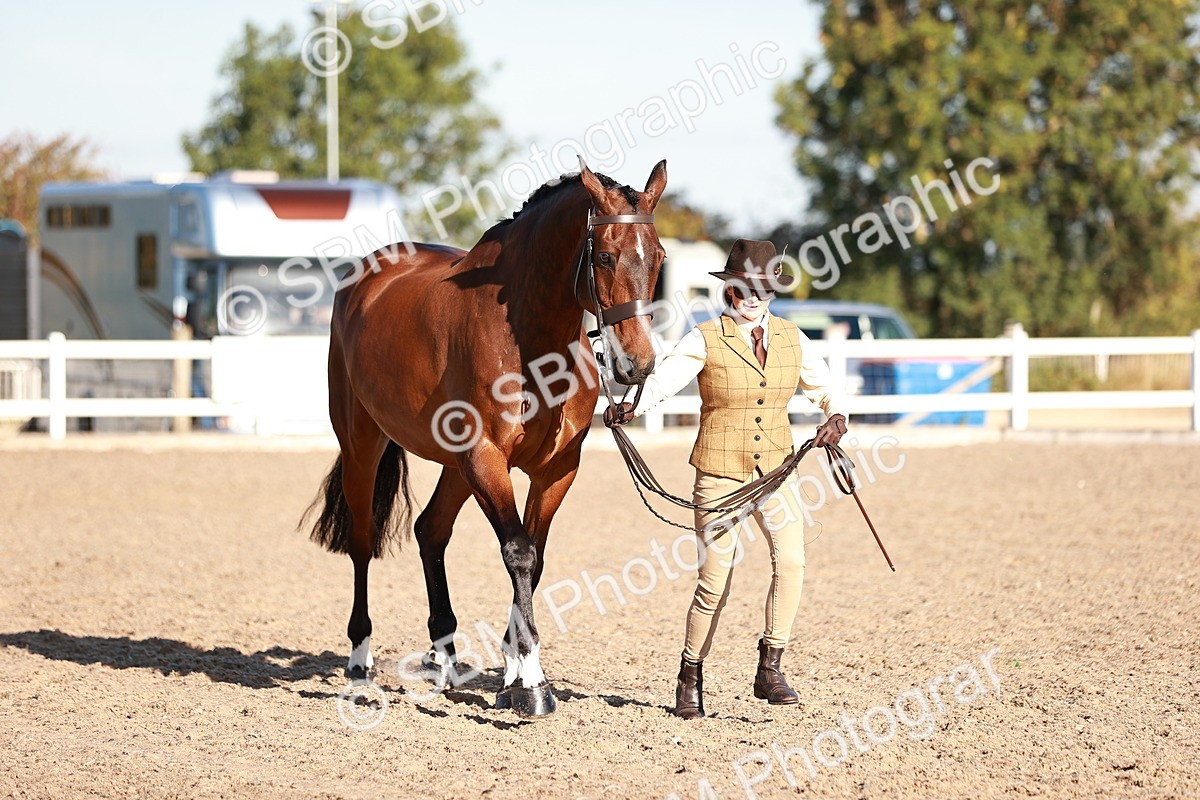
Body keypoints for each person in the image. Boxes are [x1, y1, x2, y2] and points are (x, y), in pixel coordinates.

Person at [604, 239, 848, 719]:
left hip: (776, 471)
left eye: (762, 290)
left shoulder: (792, 338)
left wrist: (836, 415)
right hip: (718, 475)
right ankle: (691, 673)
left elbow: (825, 386)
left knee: (792, 562)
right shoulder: (705, 338)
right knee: (715, 580)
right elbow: (665, 377)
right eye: (743, 289)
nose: (753, 299)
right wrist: (632, 405)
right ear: (730, 291)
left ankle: (771, 666)